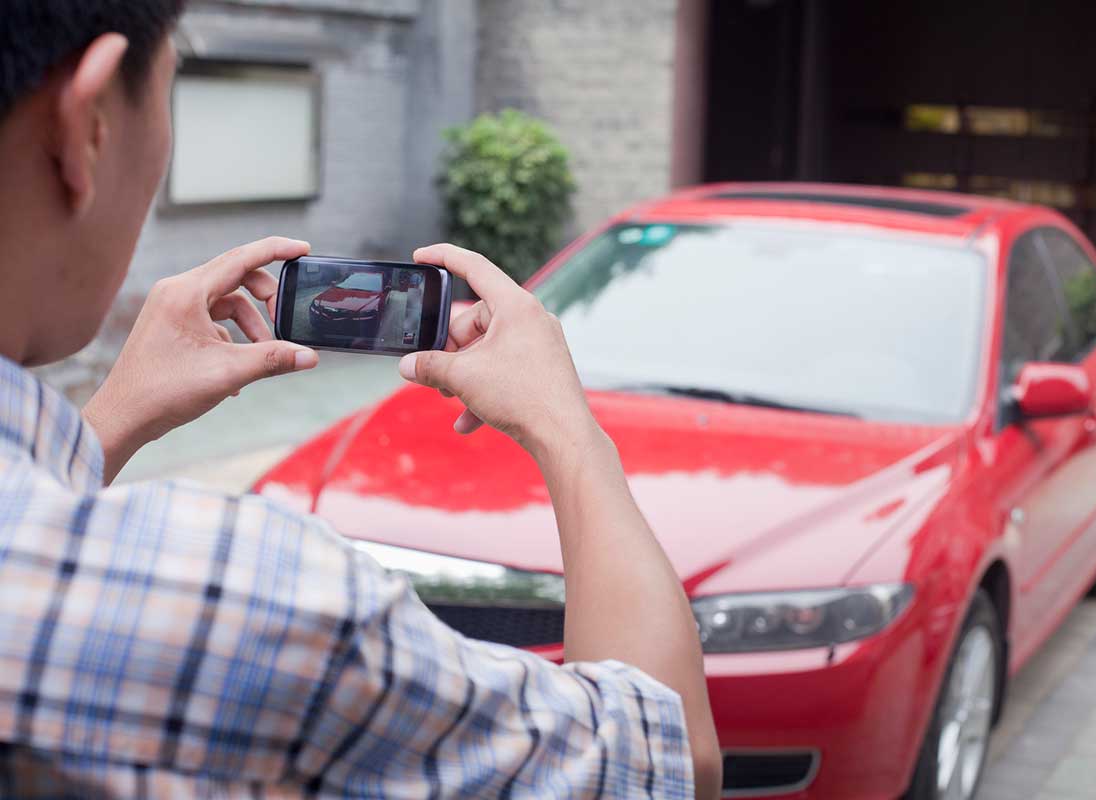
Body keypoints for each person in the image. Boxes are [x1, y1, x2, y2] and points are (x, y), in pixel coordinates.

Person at [0, 2, 721, 797]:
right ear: (88, 123)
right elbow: (665, 756)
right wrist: (567, 428)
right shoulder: (248, 594)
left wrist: (106, 426)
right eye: (170, 88)